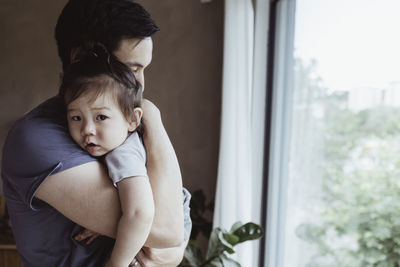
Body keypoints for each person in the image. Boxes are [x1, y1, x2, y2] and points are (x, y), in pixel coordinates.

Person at [1, 0, 191, 266]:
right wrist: (151, 115)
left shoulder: (116, 127)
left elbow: (172, 228)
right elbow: (167, 228)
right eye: (133, 68)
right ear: (81, 57)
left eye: (143, 69)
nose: (141, 84)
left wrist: (174, 248)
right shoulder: (36, 139)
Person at [60, 45, 153, 267]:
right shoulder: (113, 144)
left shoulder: (123, 155)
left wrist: (115, 263)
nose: (87, 130)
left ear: (132, 119)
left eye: (101, 117)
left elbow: (140, 213)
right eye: (76, 118)